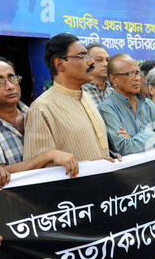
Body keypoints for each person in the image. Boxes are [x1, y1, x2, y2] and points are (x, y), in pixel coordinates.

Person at [0, 56, 80, 181]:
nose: (10, 86)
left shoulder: (38, 113)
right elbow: (0, 174)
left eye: (12, 78)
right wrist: (48, 155)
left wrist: (95, 163)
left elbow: (68, 154)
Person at [24, 33, 119, 163]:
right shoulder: (41, 109)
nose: (90, 62)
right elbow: (40, 172)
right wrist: (87, 167)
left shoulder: (86, 97)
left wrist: (111, 156)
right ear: (59, 64)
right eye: (82, 56)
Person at [98, 54, 155, 155]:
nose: (137, 78)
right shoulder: (107, 108)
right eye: (129, 74)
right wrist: (154, 133)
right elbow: (124, 148)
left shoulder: (147, 104)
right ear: (113, 79)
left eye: (137, 73)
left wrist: (134, 139)